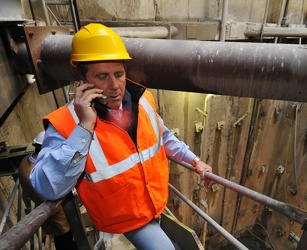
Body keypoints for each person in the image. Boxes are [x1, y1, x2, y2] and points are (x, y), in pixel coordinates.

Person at [30, 23, 212, 249]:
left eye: (119, 74)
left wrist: (195, 161)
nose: (115, 86)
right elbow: (47, 187)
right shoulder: (66, 123)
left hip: (154, 204)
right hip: (123, 220)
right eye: (103, 77)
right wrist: (85, 126)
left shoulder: (143, 100)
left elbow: (163, 138)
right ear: (83, 79)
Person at [19, 131, 77, 250]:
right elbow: (46, 197)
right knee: (67, 243)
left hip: (57, 218)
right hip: (60, 220)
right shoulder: (33, 175)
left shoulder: (28, 160)